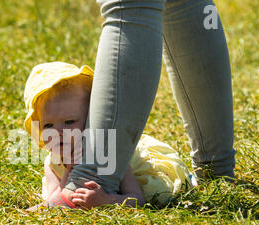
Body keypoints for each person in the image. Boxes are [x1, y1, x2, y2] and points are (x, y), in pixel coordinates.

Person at [44, 0, 236, 208]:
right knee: (183, 2)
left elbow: (137, 200)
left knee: (131, 3)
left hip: (127, 191)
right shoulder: (54, 160)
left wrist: (104, 196)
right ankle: (216, 169)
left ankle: (92, 179)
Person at [24, 62, 195, 210]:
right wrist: (67, 180)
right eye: (48, 125)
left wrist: (105, 201)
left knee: (158, 192)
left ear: (91, 119)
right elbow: (53, 202)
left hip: (141, 174)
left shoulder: (110, 152)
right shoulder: (53, 162)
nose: (58, 132)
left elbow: (138, 199)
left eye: (69, 122)